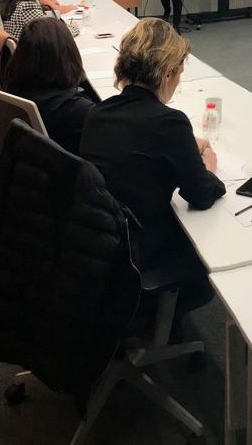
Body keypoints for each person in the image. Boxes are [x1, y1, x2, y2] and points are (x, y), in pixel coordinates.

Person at [79, 18, 224, 320]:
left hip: (96, 249)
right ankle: (156, 319)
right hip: (139, 254)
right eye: (179, 73)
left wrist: (183, 145)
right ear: (168, 72)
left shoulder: (97, 113)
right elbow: (200, 195)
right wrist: (208, 167)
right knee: (204, 272)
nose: (179, 81)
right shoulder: (169, 124)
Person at [3, 17, 98, 155]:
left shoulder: (12, 93)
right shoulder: (78, 110)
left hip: (24, 162)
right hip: (66, 165)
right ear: (69, 54)